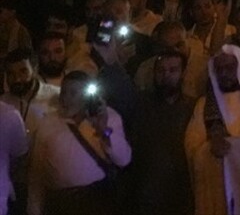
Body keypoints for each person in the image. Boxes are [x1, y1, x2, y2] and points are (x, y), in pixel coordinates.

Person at [28, 71, 131, 215]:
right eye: (64, 92)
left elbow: (124, 159)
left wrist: (103, 130)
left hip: (97, 201)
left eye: (73, 93)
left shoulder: (109, 117)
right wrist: (34, 209)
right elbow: (37, 170)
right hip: (60, 204)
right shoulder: (48, 122)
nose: (66, 99)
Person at [184, 45, 240, 215]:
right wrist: (210, 147)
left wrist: (239, 149)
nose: (224, 73)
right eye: (219, 69)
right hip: (218, 189)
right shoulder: (205, 105)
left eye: (230, 67)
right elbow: (192, 144)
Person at [128, 49, 195, 213]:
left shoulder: (193, 108)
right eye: (161, 70)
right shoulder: (141, 104)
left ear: (183, 73)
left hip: (181, 196)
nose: (166, 75)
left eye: (173, 70)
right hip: (144, 195)